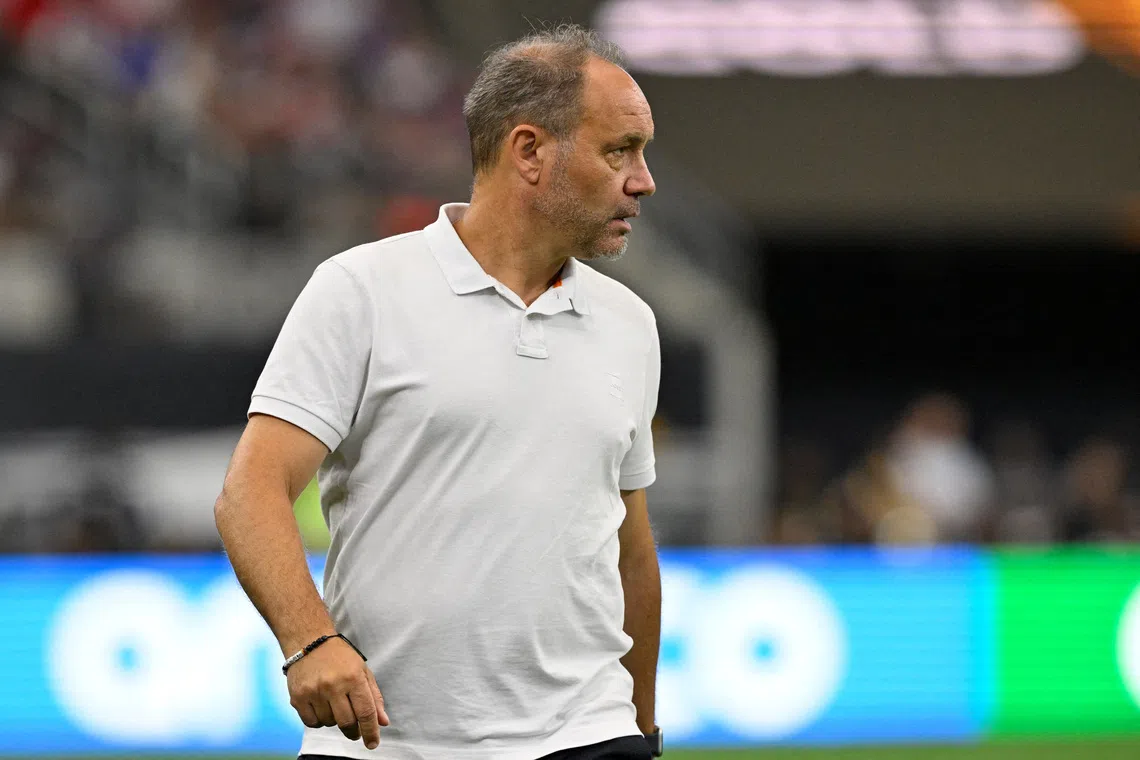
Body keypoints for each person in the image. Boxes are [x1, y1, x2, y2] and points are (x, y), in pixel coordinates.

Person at [214, 24, 663, 760]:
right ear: (529, 152)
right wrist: (309, 641)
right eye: (620, 150)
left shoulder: (630, 324)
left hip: (589, 735)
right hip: (385, 743)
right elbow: (251, 490)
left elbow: (630, 550)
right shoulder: (360, 290)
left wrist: (642, 728)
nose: (642, 179)